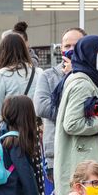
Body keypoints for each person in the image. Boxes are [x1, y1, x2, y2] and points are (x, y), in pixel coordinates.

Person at [54, 35, 98, 195]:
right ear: (89, 55)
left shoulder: (86, 79)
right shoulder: (82, 83)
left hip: (86, 161)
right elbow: (72, 123)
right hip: (84, 162)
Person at [34, 27, 86, 176]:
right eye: (67, 46)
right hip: (57, 151)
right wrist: (75, 114)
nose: (71, 50)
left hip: (86, 149)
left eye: (76, 46)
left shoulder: (95, 76)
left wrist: (75, 74)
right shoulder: (48, 76)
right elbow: (41, 107)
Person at [0, 33, 42, 135]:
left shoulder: (4, 74)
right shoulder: (39, 72)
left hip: (12, 135)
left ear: (3, 52)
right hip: (33, 133)